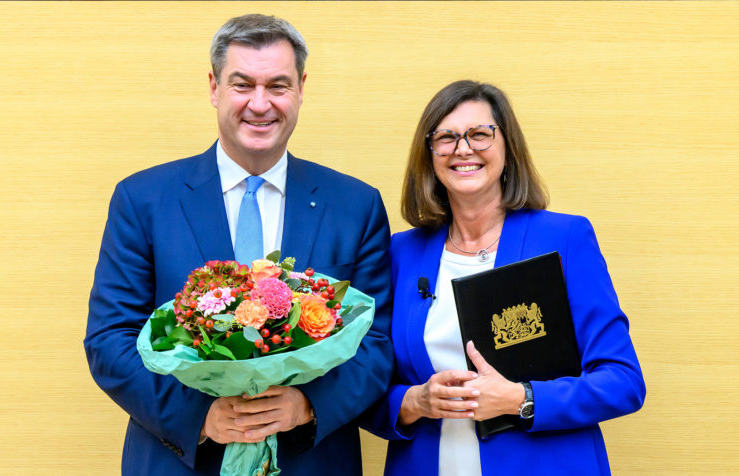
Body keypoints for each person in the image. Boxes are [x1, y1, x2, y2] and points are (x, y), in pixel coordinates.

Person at [84, 14, 393, 476]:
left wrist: (307, 405)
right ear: (213, 87)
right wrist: (201, 417)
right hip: (180, 461)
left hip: (311, 461)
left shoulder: (356, 205)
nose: (260, 104)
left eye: (278, 86)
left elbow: (376, 344)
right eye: (242, 84)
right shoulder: (143, 200)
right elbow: (110, 340)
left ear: (302, 89)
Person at [362, 80, 645, 476]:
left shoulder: (564, 239)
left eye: (480, 134)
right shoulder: (401, 253)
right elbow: (365, 386)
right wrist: (415, 402)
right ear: (429, 156)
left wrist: (520, 398)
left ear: (507, 148)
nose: (463, 149)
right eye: (446, 138)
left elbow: (623, 382)